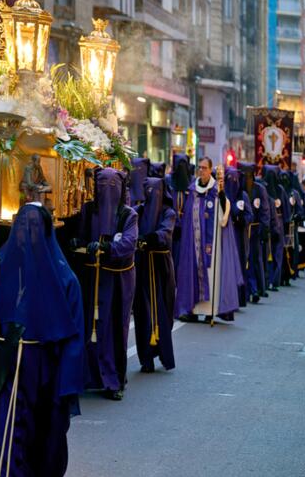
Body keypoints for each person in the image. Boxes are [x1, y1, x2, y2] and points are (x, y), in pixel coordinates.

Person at [0, 201, 84, 477]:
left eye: (32, 227)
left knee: (47, 451)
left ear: (44, 232)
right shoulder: (0, 272)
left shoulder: (66, 280)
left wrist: (64, 389)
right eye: (20, 226)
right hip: (10, 369)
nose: (25, 233)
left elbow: (74, 340)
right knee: (9, 445)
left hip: (47, 374)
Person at [75, 167, 138, 400]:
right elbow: (82, 237)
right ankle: (90, 377)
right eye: (102, 186)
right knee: (91, 327)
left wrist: (107, 247)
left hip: (118, 279)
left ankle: (115, 381)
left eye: (112, 187)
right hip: (93, 278)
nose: (107, 192)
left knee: (115, 329)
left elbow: (129, 243)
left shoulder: (128, 214)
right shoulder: (89, 209)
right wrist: (80, 242)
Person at [174, 158, 243, 323]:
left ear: (210, 170)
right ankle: (193, 309)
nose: (201, 171)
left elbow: (226, 209)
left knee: (212, 273)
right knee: (192, 272)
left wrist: (222, 209)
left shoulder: (216, 190)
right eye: (200, 168)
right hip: (195, 243)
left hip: (212, 243)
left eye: (204, 168)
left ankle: (211, 311)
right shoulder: (193, 190)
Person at [132, 176, 177, 373]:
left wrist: (151, 238)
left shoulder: (169, 212)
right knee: (142, 311)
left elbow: (165, 234)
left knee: (162, 310)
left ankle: (164, 353)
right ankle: (146, 358)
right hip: (142, 265)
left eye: (155, 192)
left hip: (161, 267)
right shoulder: (139, 211)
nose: (152, 196)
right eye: (148, 192)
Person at [239, 162, 270, 302]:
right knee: (243, 260)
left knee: (253, 261)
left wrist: (264, 228)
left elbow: (264, 210)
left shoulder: (259, 189)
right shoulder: (239, 190)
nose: (248, 180)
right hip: (242, 231)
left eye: (250, 176)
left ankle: (255, 289)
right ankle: (246, 291)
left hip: (255, 231)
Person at [224, 166, 253, 309]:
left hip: (239, 237)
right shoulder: (222, 195)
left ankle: (240, 298)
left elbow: (249, 214)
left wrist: (243, 220)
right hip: (225, 236)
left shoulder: (243, 196)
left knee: (240, 266)